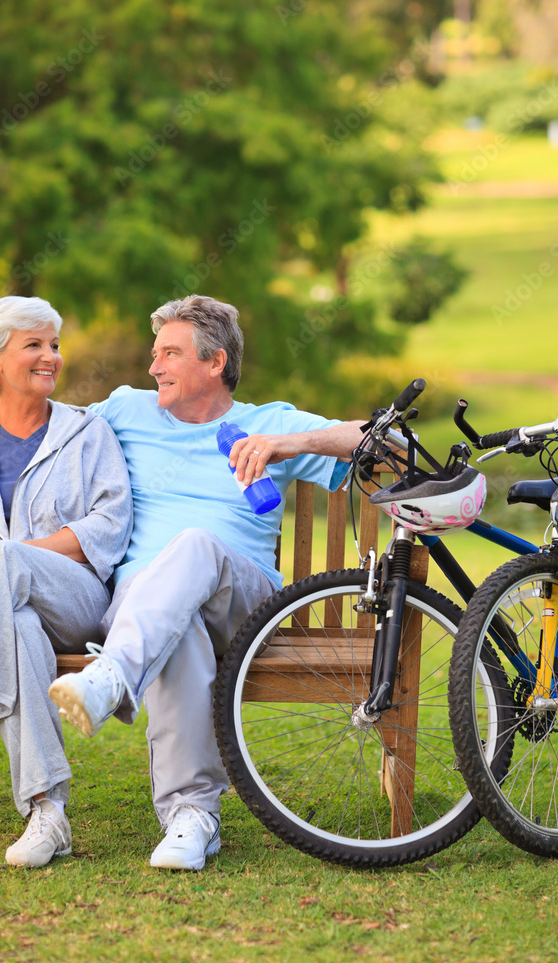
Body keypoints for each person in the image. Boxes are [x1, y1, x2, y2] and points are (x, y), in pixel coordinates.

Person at [49, 294, 364, 871]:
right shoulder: (126, 409)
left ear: (215, 362)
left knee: (193, 545)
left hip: (245, 604)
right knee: (179, 627)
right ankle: (193, 820)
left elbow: (378, 440)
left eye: (170, 353)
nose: (154, 367)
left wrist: (289, 444)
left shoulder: (271, 423)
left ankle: (113, 675)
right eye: (154, 353)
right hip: (147, 608)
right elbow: (38, 430)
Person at [0, 296, 132, 868]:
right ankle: (47, 812)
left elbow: (108, 525)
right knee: (16, 627)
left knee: (2, 559)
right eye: (35, 345)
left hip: (74, 596)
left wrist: (8, 559)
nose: (51, 356)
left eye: (54, 345)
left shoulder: (87, 433)